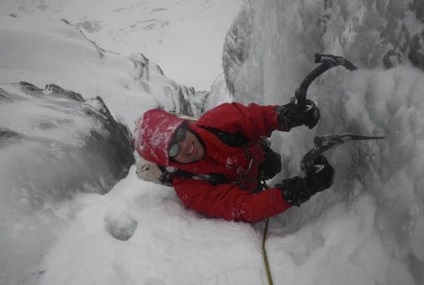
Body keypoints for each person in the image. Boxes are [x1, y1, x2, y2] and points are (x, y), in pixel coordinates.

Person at [133, 100, 334, 223]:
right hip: (247, 186)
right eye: (173, 149)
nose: (185, 146)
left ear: (185, 126)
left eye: (180, 135)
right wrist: (299, 190)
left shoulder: (217, 120)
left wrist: (285, 115)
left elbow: (255, 118)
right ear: (169, 161)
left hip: (259, 159)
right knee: (271, 170)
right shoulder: (190, 189)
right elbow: (244, 206)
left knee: (275, 164)